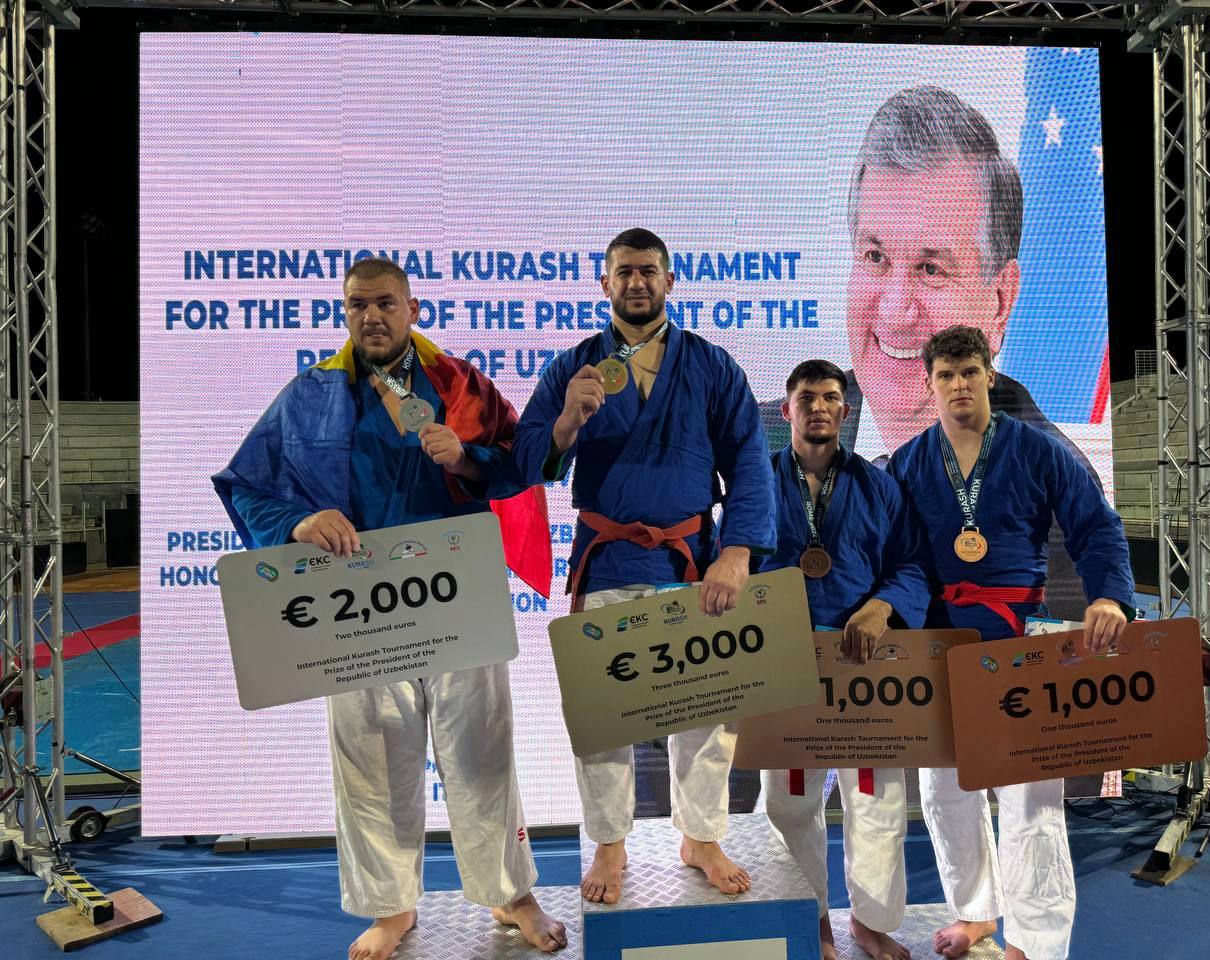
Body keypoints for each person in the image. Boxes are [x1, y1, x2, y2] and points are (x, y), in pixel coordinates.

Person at [212, 258, 566, 960]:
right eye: (357, 305)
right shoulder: (310, 394)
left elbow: (521, 465)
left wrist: (465, 459)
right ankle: (391, 906)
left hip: (457, 595)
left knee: (482, 749)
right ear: (344, 311)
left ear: (412, 309)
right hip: (357, 605)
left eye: (384, 303)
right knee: (371, 757)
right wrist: (298, 522)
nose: (370, 316)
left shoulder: (460, 384)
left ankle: (508, 891)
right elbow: (247, 484)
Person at [759, 85, 1096, 622]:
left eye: (931, 269)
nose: (895, 312)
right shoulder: (763, 439)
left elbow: (1056, 658)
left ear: (1000, 299)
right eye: (875, 257)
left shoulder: (1050, 479)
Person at [513, 228, 775, 905]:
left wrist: (737, 552)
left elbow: (749, 461)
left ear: (669, 281)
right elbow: (527, 461)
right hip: (608, 562)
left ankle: (701, 837)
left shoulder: (712, 367)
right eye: (624, 271)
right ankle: (609, 842)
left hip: (691, 565)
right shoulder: (576, 367)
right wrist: (566, 424)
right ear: (605, 284)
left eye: (649, 271)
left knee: (707, 716)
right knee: (604, 719)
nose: (637, 282)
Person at [888, 325, 1133, 960]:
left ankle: (1035, 942)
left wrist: (1108, 596)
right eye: (946, 375)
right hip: (941, 642)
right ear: (929, 384)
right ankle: (975, 913)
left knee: (1030, 801)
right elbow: (895, 555)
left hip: (1019, 640)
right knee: (945, 791)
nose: (959, 385)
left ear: (989, 375)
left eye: (969, 371)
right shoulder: (909, 461)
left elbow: (1096, 525)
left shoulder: (1038, 450)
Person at [759, 359, 931, 960]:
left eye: (830, 397)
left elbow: (912, 564)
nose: (819, 407)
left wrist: (883, 607)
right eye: (807, 397)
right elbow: (732, 559)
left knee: (877, 798)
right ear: (788, 410)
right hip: (786, 661)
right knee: (789, 802)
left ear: (845, 410)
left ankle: (871, 922)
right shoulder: (757, 481)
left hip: (863, 664)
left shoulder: (879, 486)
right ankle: (809, 918)